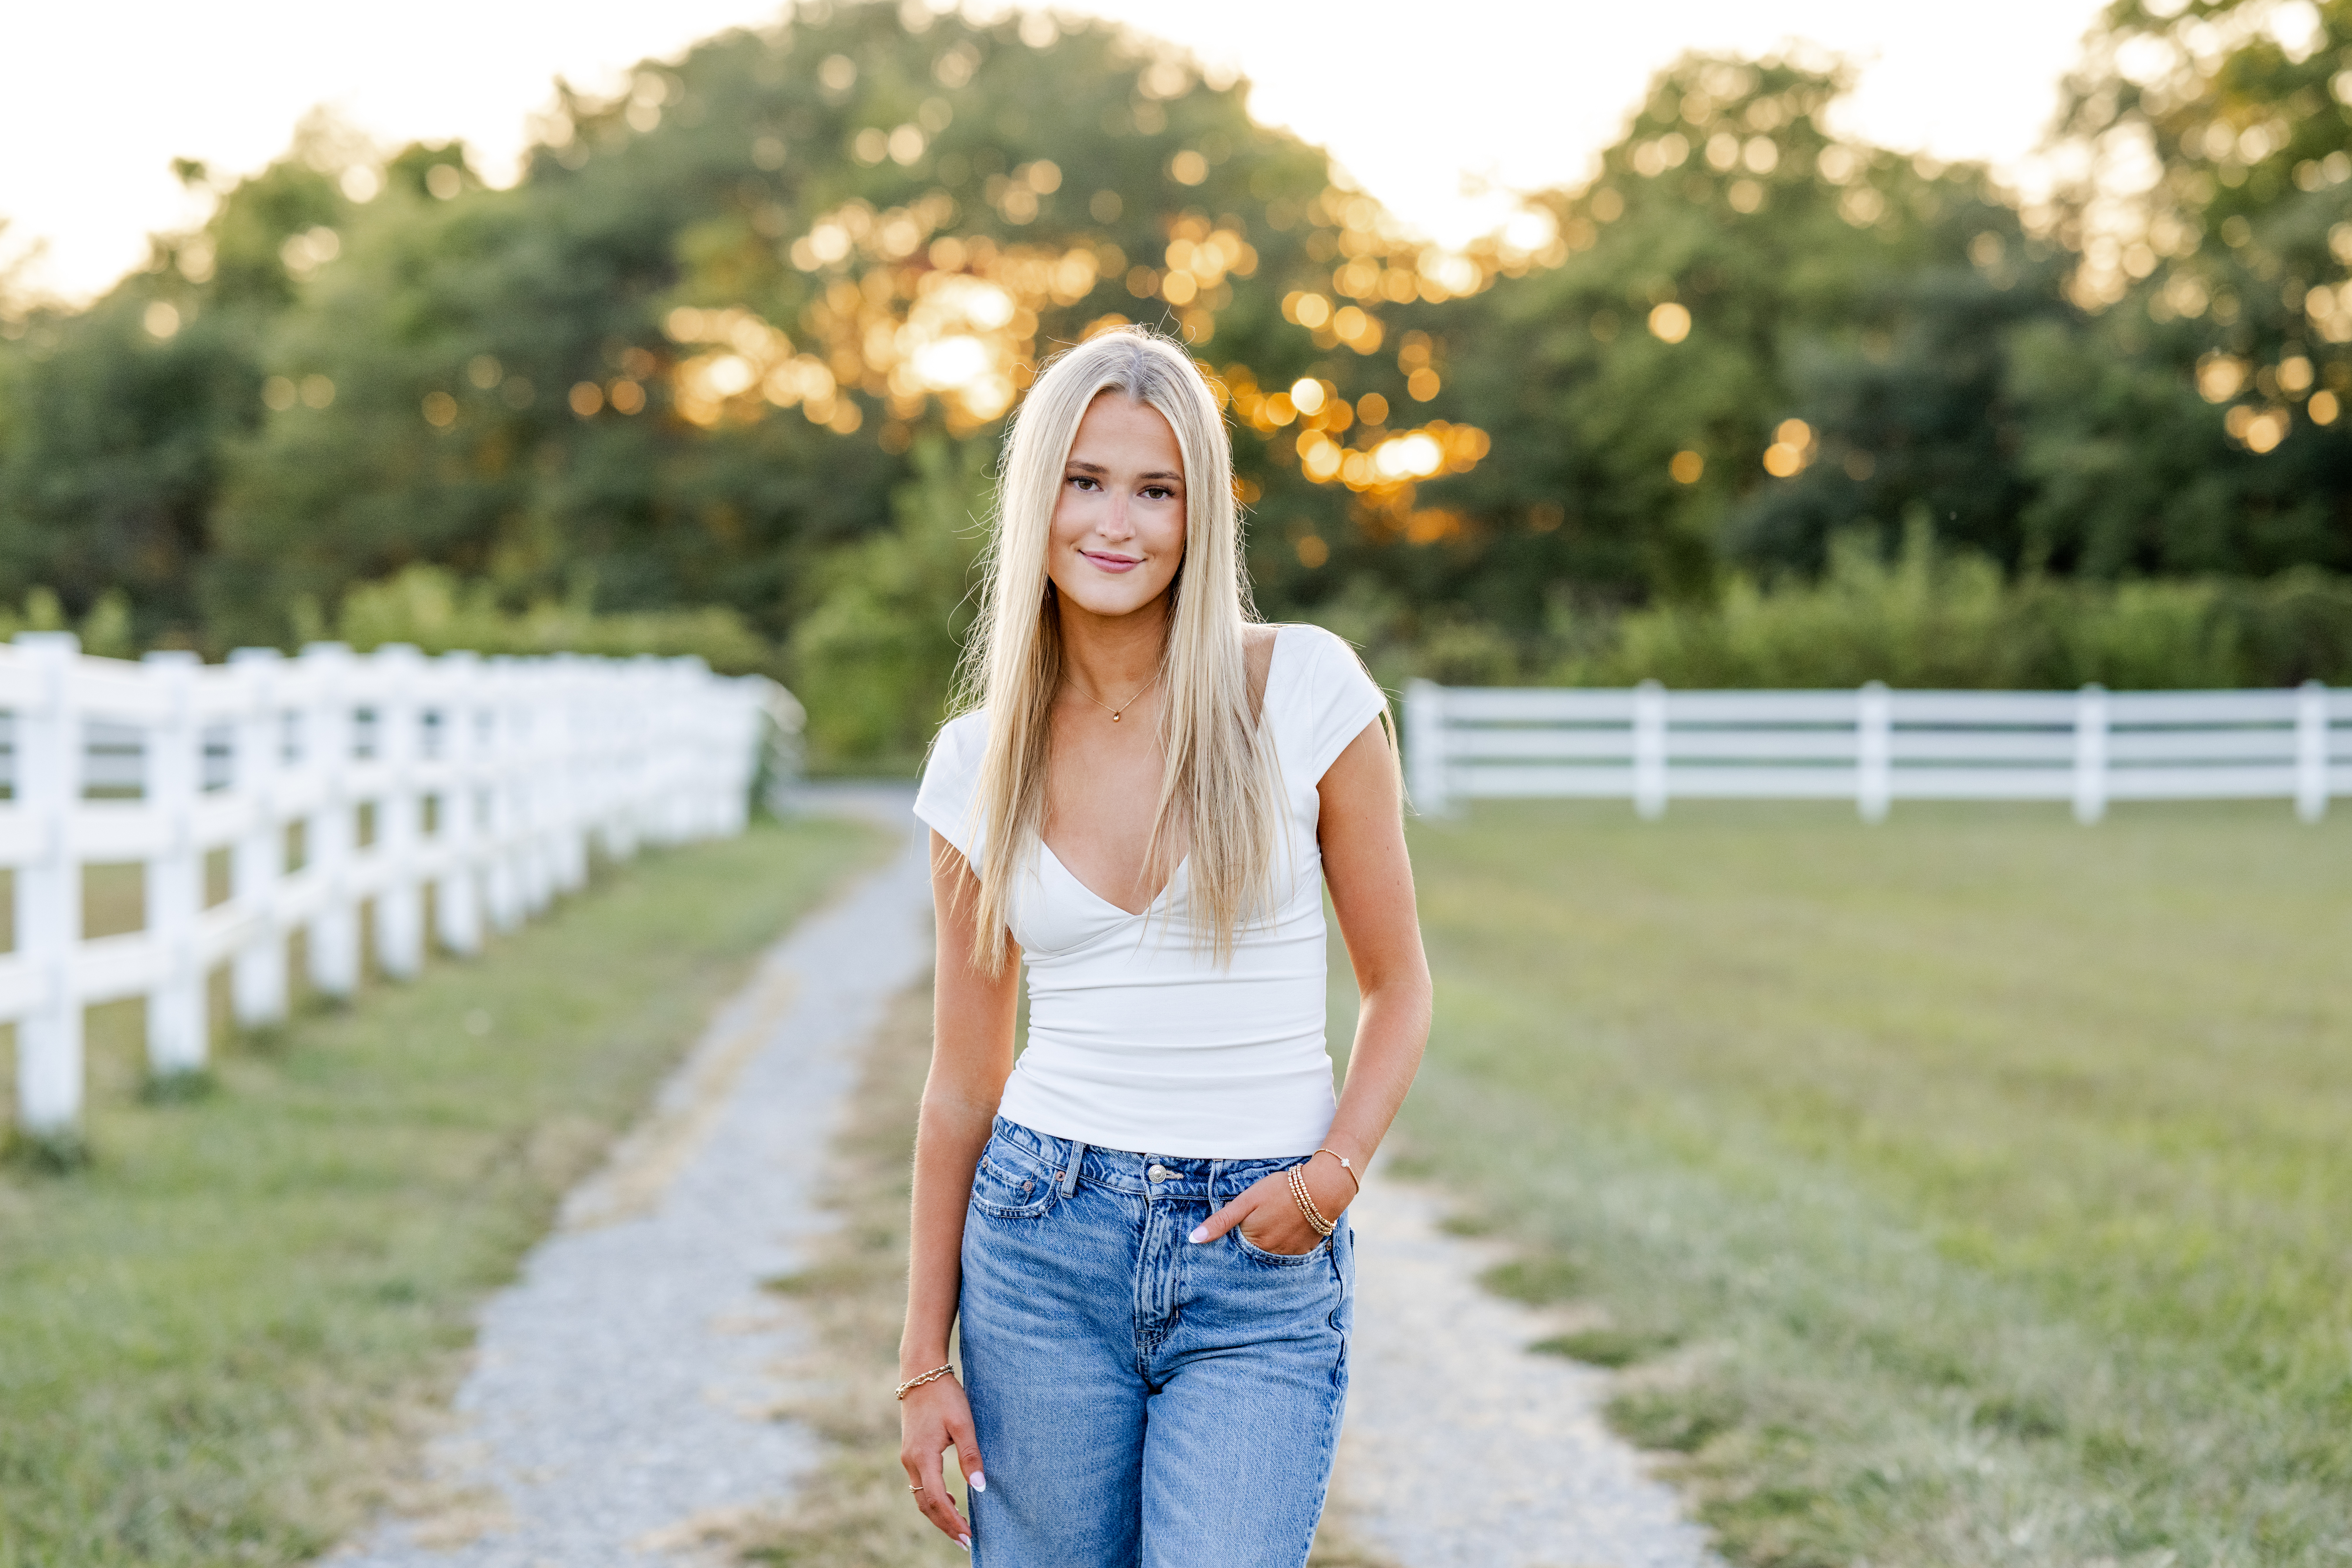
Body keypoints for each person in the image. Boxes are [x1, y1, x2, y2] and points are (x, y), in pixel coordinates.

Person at [897, 325, 1432, 1565]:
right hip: (1040, 1237)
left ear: (1200, 518)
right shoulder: (975, 762)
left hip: (1256, 1251)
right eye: (1085, 481)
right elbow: (961, 1081)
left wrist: (1331, 1177)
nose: (1116, 522)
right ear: (1037, 497)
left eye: (1155, 489)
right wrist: (922, 1356)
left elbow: (1397, 984)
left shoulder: (1303, 689)